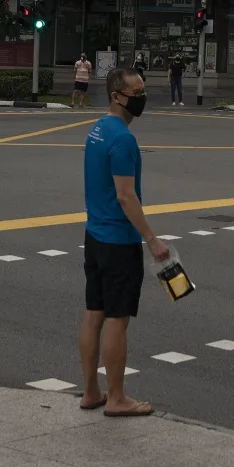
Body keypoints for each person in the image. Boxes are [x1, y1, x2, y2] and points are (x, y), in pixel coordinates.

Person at [78, 67, 169, 416]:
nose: (142, 97)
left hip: (95, 236)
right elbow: (126, 196)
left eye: (143, 89)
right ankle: (115, 398)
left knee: (93, 314)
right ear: (117, 96)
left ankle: (90, 391)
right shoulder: (123, 139)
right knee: (117, 319)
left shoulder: (98, 130)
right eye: (136, 92)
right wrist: (152, 239)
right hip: (118, 241)